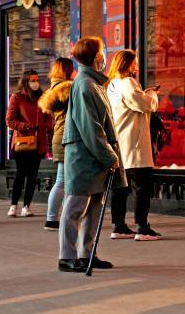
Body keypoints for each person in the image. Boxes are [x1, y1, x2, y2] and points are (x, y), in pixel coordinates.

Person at [58, 37, 127, 273]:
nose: (105, 54)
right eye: (102, 50)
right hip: (84, 156)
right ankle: (67, 256)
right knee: (75, 206)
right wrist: (110, 156)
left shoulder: (94, 83)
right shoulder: (85, 85)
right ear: (95, 56)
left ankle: (87, 254)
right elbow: (91, 127)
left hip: (93, 156)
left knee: (94, 207)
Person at [107, 49, 162, 241]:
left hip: (120, 144)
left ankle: (119, 225)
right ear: (128, 64)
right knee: (143, 187)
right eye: (135, 62)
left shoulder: (112, 84)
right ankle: (142, 227)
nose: (137, 65)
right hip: (135, 144)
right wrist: (153, 94)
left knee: (120, 188)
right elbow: (143, 104)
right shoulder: (128, 83)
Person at [6, 69, 52, 218]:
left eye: (37, 79)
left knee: (32, 175)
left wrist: (49, 128)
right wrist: (24, 126)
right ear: (26, 81)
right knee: (21, 174)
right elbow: (10, 120)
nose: (35, 83)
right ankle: (13, 205)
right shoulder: (17, 97)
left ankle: (27, 206)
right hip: (23, 141)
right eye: (32, 80)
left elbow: (47, 119)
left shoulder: (42, 98)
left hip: (38, 142)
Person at [38, 58, 76, 230]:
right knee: (62, 180)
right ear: (66, 70)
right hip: (66, 136)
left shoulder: (54, 88)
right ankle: (52, 219)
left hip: (59, 136)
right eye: (72, 69)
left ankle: (53, 218)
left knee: (63, 180)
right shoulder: (66, 89)